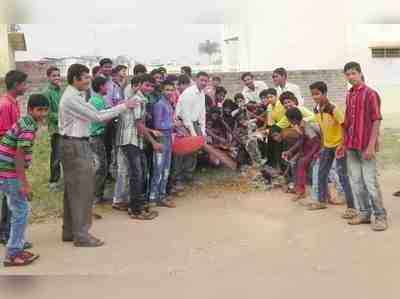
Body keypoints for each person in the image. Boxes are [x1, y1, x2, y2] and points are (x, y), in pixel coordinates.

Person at [59, 64, 138, 247]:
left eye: (88, 77)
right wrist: (124, 106)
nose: (89, 80)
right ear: (75, 79)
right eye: (85, 77)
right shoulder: (72, 98)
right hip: (76, 144)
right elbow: (97, 116)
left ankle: (70, 231)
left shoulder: (75, 95)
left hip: (74, 143)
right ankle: (82, 235)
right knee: (82, 191)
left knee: (73, 191)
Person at [0, 94, 49, 267]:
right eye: (39, 110)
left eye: (45, 110)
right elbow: (19, 156)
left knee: (18, 210)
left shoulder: (27, 122)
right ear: (30, 109)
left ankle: (17, 249)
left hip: (6, 171)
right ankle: (12, 254)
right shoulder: (28, 128)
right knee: (20, 211)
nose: (42, 114)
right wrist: (24, 184)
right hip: (9, 173)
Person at [341, 61, 388, 231]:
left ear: (360, 73)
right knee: (356, 182)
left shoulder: (370, 94)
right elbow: (347, 121)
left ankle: (380, 216)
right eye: (347, 74)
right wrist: (343, 143)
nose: (351, 76)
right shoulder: (349, 94)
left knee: (370, 182)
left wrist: (371, 145)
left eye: (353, 73)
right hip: (352, 145)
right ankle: (364, 213)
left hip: (365, 145)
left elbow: (376, 120)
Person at [116, 74, 162, 220]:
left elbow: (139, 123)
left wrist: (150, 132)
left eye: (151, 86)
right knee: (137, 174)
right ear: (139, 85)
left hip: (135, 140)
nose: (149, 88)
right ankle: (136, 210)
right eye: (146, 85)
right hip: (130, 140)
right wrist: (153, 142)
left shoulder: (142, 99)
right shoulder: (138, 100)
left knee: (139, 172)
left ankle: (136, 205)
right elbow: (138, 124)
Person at [307, 81, 355, 213]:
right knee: (322, 173)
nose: (315, 97)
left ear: (324, 93)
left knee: (342, 175)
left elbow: (345, 126)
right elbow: (323, 129)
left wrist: (342, 145)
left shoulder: (333, 108)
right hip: (327, 146)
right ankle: (321, 201)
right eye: (313, 95)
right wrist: (322, 145)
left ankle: (351, 207)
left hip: (339, 146)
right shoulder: (316, 109)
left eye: (317, 94)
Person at [0, 70, 29, 247]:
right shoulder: (5, 105)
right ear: (17, 84)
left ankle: (8, 232)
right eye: (24, 84)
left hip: (11, 156)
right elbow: (5, 133)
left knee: (10, 196)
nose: (26, 87)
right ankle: (8, 234)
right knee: (12, 196)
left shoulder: (13, 103)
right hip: (8, 157)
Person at [173, 72, 209, 187]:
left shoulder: (202, 93)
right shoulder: (189, 93)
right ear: (196, 80)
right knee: (181, 152)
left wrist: (202, 132)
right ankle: (177, 179)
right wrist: (193, 134)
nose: (203, 83)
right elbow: (186, 115)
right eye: (201, 80)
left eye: (205, 81)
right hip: (182, 124)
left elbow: (202, 113)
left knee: (194, 151)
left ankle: (188, 176)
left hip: (194, 123)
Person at [282, 108, 321, 201]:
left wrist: (308, 156)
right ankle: (298, 188)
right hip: (308, 148)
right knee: (294, 163)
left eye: (289, 120)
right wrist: (290, 151)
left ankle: (301, 191)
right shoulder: (299, 125)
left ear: (294, 119)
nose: (289, 122)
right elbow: (301, 140)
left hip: (316, 149)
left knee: (301, 164)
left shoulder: (306, 126)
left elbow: (316, 142)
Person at [149, 80, 176, 208]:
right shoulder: (159, 104)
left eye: (171, 89)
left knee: (166, 168)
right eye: (167, 89)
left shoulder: (168, 104)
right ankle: (153, 197)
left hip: (168, 138)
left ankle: (162, 195)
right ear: (162, 90)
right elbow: (157, 125)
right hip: (161, 138)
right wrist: (173, 124)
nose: (169, 92)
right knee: (158, 168)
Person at [89, 76, 110, 205]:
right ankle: (95, 196)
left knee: (101, 166)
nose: (108, 88)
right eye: (106, 85)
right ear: (101, 86)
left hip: (98, 136)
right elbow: (102, 119)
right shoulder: (96, 101)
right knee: (100, 167)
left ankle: (98, 194)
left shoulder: (98, 99)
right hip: (96, 136)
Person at [42, 66, 63, 192]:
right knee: (56, 156)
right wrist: (62, 116)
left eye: (58, 75)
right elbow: (47, 112)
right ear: (48, 77)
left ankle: (61, 179)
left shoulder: (59, 90)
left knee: (64, 155)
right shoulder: (46, 92)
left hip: (65, 127)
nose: (56, 77)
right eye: (54, 75)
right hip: (56, 128)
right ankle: (53, 182)